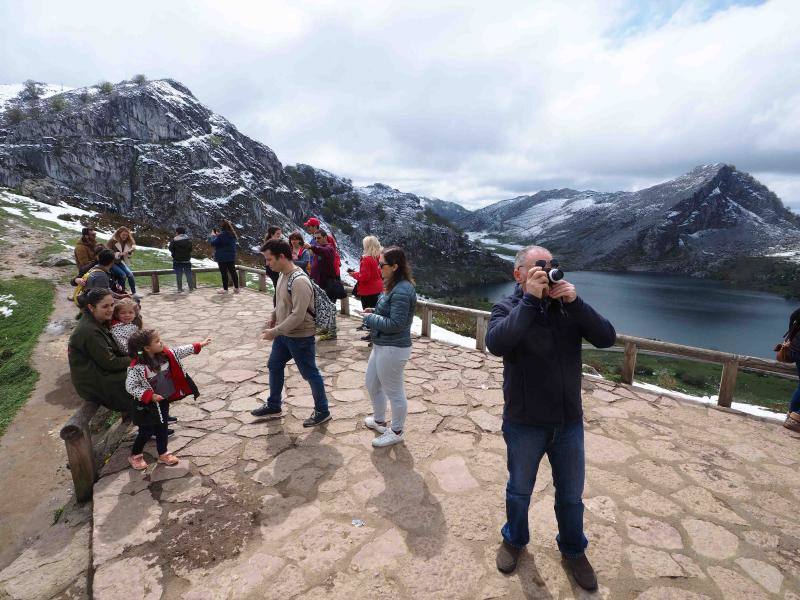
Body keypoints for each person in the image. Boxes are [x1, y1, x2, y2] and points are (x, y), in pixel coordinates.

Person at [485, 245, 616, 591]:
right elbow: (496, 343)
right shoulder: (508, 307)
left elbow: (606, 338)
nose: (546, 272)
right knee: (519, 490)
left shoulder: (567, 308)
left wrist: (576, 302)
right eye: (537, 268)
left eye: (550, 266)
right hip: (524, 421)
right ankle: (514, 539)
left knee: (571, 495)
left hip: (568, 422)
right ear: (518, 275)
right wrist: (529, 300)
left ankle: (573, 549)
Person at [250, 238, 332, 427]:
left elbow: (298, 314)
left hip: (300, 336)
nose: (267, 263)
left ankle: (323, 410)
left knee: (310, 373)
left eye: (269, 259)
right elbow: (280, 301)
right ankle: (274, 404)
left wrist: (275, 331)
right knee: (274, 364)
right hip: (285, 335)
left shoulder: (299, 280)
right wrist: (274, 315)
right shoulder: (282, 275)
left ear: (282, 257)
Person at [125, 329, 211, 469]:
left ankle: (163, 452)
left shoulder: (165, 355)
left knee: (162, 426)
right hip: (145, 405)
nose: (161, 342)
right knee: (146, 431)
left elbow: (180, 350)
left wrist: (199, 345)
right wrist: (149, 395)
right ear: (147, 348)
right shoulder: (138, 367)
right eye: (157, 341)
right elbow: (130, 386)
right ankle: (135, 455)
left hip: (162, 400)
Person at [362, 246, 417, 448]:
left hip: (393, 348)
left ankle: (396, 431)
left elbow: (397, 324)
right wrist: (374, 310)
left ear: (394, 266)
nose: (379, 268)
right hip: (382, 345)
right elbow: (389, 312)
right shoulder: (393, 284)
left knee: (394, 392)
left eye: (382, 265)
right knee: (372, 383)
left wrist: (370, 318)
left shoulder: (402, 289)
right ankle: (379, 421)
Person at [68, 288, 136, 414]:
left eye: (112, 305)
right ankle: (149, 419)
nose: (110, 309)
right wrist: (136, 358)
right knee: (140, 373)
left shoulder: (98, 321)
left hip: (99, 370)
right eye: (105, 306)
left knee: (145, 368)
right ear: (91, 307)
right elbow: (111, 363)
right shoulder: (90, 331)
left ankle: (156, 415)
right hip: (94, 381)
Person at [304, 229, 338, 341]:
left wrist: (311, 247)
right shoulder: (320, 249)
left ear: (325, 237)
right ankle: (325, 328)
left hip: (327, 282)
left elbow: (324, 252)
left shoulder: (329, 248)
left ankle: (332, 332)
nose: (317, 240)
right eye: (315, 238)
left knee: (330, 307)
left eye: (319, 238)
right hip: (320, 282)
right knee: (323, 307)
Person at [347, 235, 383, 341]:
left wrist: (354, 274)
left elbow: (364, 277)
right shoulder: (379, 257)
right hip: (378, 288)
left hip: (368, 290)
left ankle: (372, 335)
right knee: (376, 313)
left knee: (369, 313)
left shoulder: (366, 259)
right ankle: (375, 334)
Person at [208, 219, 239, 294]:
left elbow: (213, 243)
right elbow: (225, 241)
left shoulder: (221, 235)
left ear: (222, 227)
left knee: (224, 273)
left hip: (222, 257)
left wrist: (212, 236)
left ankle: (225, 289)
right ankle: (236, 288)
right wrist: (218, 236)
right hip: (231, 256)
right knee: (233, 272)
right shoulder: (232, 234)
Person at [107, 226, 137, 295]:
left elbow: (129, 254)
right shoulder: (112, 241)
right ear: (119, 233)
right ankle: (120, 293)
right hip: (111, 262)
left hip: (119, 262)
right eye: (123, 234)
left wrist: (130, 252)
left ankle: (134, 293)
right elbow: (108, 253)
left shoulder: (127, 242)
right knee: (123, 275)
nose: (125, 236)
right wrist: (120, 254)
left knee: (130, 274)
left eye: (126, 235)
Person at [783, 307, 800, 432]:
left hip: (795, 348)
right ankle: (796, 418)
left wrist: (790, 336)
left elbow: (794, 315)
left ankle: (791, 416)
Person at [168, 226, 194, 293]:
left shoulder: (174, 240)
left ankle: (180, 288)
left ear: (177, 232)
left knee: (179, 275)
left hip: (177, 260)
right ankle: (191, 288)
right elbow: (191, 249)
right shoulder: (188, 240)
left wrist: (174, 254)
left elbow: (170, 248)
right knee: (188, 274)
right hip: (187, 260)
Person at [263, 226, 283, 303]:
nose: (279, 236)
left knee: (277, 289)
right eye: (277, 234)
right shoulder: (270, 245)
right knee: (278, 289)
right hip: (272, 269)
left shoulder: (272, 243)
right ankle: (277, 309)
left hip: (273, 268)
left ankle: (277, 308)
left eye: (280, 234)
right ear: (272, 234)